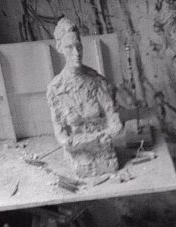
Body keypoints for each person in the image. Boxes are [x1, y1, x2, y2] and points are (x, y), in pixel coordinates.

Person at [46, 17, 122, 178]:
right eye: (69, 47)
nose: (76, 53)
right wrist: (91, 140)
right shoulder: (55, 89)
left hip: (104, 152)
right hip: (79, 155)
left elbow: (115, 124)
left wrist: (92, 138)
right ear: (59, 48)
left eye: (79, 46)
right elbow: (62, 137)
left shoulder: (98, 82)